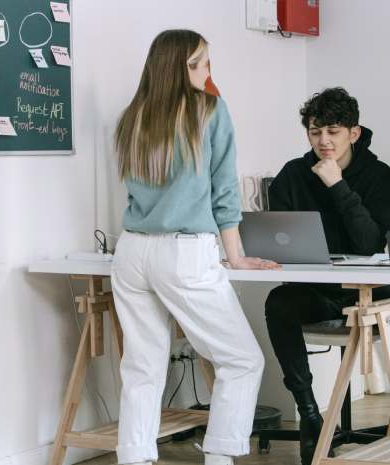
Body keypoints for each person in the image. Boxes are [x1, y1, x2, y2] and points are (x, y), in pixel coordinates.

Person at [111, 29, 281, 465]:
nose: (210, 71)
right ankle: (220, 459)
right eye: (204, 62)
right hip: (183, 253)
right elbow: (224, 192)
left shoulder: (134, 116)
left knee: (142, 367)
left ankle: (133, 457)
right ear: (185, 67)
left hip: (131, 253)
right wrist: (237, 256)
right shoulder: (210, 110)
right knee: (241, 361)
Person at [265, 87, 390, 465]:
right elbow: (278, 243)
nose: (323, 141)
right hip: (313, 291)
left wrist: (337, 184)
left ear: (353, 133)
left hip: (365, 291)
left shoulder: (377, 174)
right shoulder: (291, 175)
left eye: (333, 131)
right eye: (315, 131)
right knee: (278, 303)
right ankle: (310, 417)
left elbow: (371, 243)